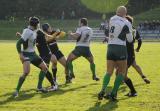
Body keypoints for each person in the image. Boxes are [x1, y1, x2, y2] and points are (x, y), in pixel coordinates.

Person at [13, 17, 56, 97]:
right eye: (38, 24)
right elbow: (18, 44)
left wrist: (54, 35)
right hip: (26, 54)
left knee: (44, 68)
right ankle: (16, 90)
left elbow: (30, 39)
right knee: (26, 72)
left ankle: (39, 87)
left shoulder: (35, 30)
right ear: (35, 24)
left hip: (33, 54)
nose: (39, 25)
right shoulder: (27, 31)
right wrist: (20, 55)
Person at [98, 6, 133, 101]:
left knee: (109, 72)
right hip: (120, 47)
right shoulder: (126, 22)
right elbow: (130, 40)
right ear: (125, 13)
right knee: (121, 72)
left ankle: (102, 90)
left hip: (110, 47)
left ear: (116, 12)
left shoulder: (112, 19)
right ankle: (113, 93)